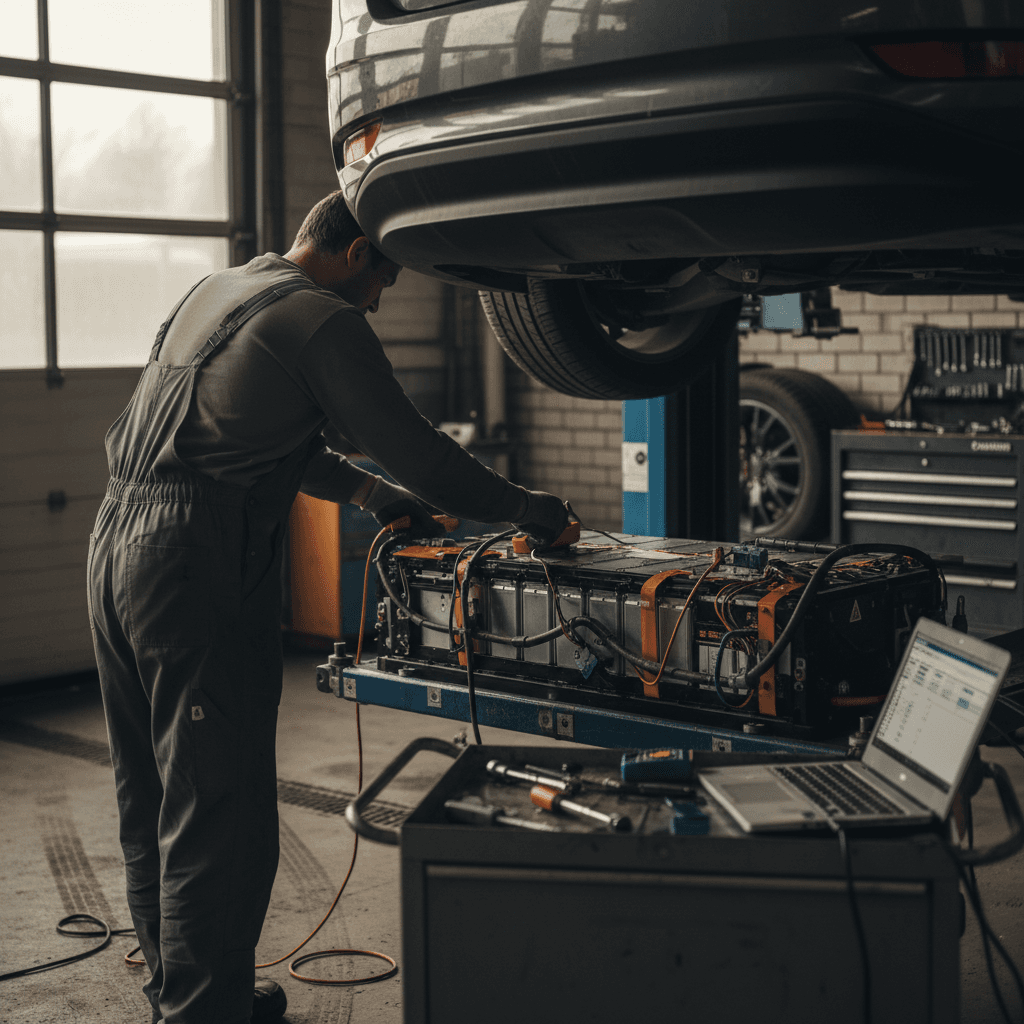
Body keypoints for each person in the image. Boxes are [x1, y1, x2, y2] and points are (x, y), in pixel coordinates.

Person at [86, 190, 568, 1024]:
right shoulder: (322, 319)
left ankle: (188, 987)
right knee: (216, 806)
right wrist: (532, 511)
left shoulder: (218, 289)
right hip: (192, 561)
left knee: (155, 787)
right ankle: (202, 1011)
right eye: (384, 280)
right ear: (356, 253)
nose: (377, 301)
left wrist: (370, 496)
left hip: (114, 540)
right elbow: (424, 456)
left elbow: (269, 438)